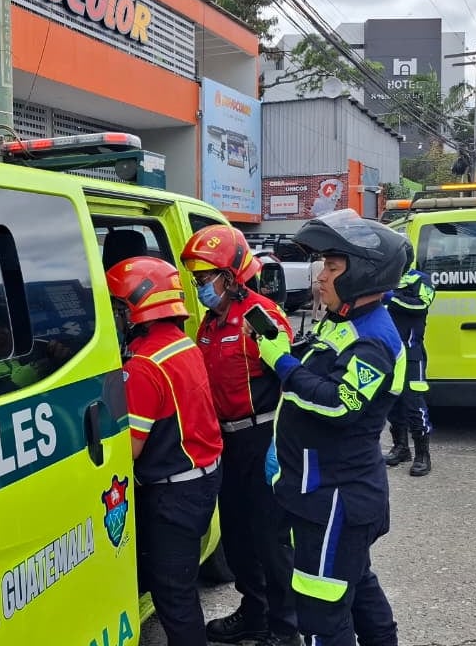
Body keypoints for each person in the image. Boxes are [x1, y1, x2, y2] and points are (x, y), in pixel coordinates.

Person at [253, 209, 409, 646]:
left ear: (362, 274)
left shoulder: (372, 340)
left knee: (321, 612)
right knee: (356, 587)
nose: (320, 277)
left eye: (333, 267)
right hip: (323, 491)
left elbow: (340, 404)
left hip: (335, 498)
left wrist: (280, 362)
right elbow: (319, 371)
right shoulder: (345, 322)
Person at [180, 225, 301, 646]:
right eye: (196, 280)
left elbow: (292, 380)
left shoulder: (260, 317)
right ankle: (254, 614)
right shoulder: (209, 326)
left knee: (270, 541)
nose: (200, 287)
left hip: (262, 439)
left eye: (204, 278)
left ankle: (286, 631)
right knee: (237, 537)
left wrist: (280, 445)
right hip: (226, 443)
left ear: (230, 277)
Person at [106, 256, 224, 646]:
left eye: (118, 307)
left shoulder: (141, 366)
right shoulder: (180, 344)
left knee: (173, 595)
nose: (115, 316)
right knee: (181, 584)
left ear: (136, 307)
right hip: (202, 478)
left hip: (172, 494)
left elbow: (128, 451)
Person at [383, 257, 437, 476]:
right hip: (388, 351)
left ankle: (423, 454)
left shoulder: (420, 279)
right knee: (392, 400)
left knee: (413, 401)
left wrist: (391, 297)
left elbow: (421, 304)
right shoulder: (386, 279)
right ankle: (400, 447)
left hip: (411, 351)